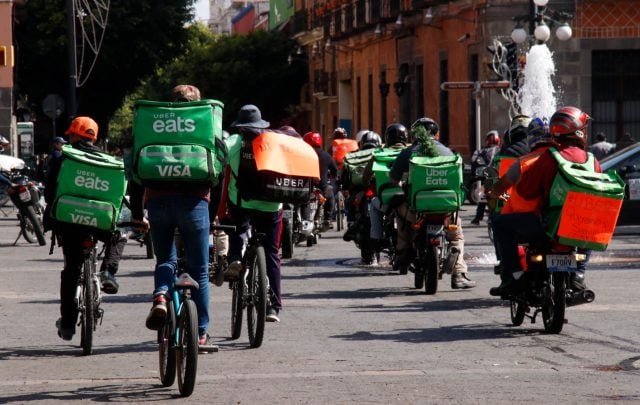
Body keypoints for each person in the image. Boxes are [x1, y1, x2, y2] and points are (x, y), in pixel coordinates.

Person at [131, 84, 218, 347]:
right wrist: (211, 215)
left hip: (158, 202)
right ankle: (200, 333)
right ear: (197, 103)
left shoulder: (153, 123)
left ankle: (160, 296)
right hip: (195, 204)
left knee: (165, 259)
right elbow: (219, 174)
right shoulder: (205, 125)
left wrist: (137, 213)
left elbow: (136, 174)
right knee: (199, 272)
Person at [489, 107, 599, 296]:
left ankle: (516, 276)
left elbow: (527, 191)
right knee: (593, 227)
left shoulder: (548, 157)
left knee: (499, 223)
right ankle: (579, 272)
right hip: (577, 224)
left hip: (547, 224)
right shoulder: (591, 160)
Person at [46, 116, 127, 340]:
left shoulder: (63, 157)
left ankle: (69, 324)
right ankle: (109, 271)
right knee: (119, 235)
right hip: (101, 223)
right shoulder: (108, 160)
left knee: (71, 271)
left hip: (70, 221)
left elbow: (50, 189)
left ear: (73, 135)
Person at [388, 117, 475, 289]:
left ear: (415, 135)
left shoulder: (408, 153)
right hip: (446, 210)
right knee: (456, 235)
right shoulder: (449, 153)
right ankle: (459, 273)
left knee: (399, 214)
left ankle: (403, 251)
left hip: (417, 209)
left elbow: (393, 178)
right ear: (437, 135)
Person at [224, 104, 284, 322]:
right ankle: (273, 307)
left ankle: (235, 257)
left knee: (238, 228)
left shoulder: (234, 143)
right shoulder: (274, 143)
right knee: (271, 253)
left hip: (241, 203)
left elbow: (218, 159)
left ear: (240, 127)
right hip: (271, 206)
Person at [363, 123, 409, 264]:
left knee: (374, 205)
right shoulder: (411, 152)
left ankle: (376, 237)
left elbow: (366, 177)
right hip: (408, 201)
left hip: (385, 201)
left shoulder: (379, 154)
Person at [303, 131, 338, 231]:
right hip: (322, 186)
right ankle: (328, 219)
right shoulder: (326, 155)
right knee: (331, 196)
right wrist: (333, 178)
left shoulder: (303, 154)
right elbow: (334, 170)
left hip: (305, 186)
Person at [470, 130, 501, 225]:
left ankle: (478, 218)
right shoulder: (500, 150)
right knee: (502, 196)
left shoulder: (485, 151)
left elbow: (474, 160)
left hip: (489, 178)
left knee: (483, 198)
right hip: (497, 178)